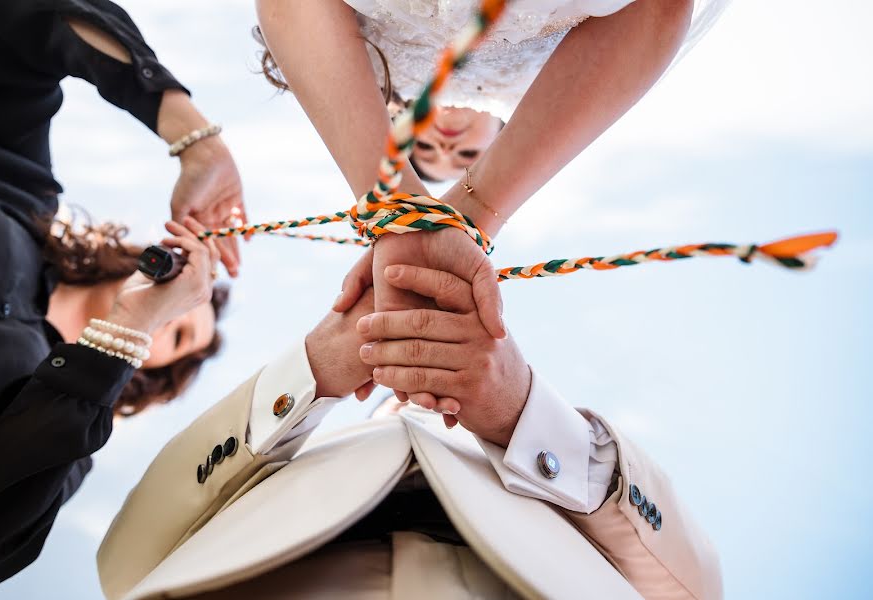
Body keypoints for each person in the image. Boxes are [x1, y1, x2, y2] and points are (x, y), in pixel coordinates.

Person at [97, 265, 722, 599]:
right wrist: (316, 368)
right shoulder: (306, 468)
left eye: (440, 399)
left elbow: (690, 588)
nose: (421, 394)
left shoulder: (560, 501)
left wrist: (520, 413)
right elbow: (129, 559)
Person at [255, 0, 732, 407]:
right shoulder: (563, 75)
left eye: (427, 153)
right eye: (459, 158)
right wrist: (455, 216)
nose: (445, 145)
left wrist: (402, 213)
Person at [0, 0, 243, 590]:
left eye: (174, 330)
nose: (175, 306)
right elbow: (11, 23)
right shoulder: (21, 193)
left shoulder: (62, 442)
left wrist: (124, 333)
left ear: (143, 367)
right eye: (185, 300)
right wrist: (194, 139)